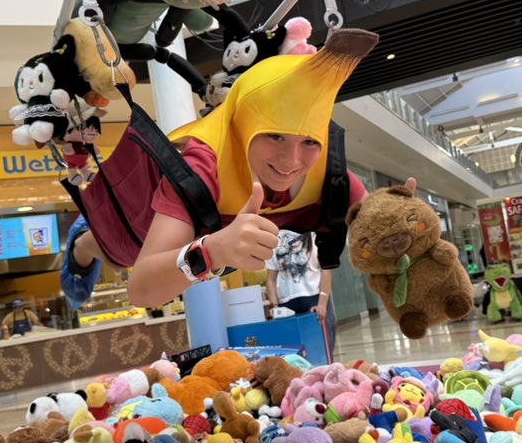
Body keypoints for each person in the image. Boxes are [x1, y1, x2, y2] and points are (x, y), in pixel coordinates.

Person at [62, 29, 386, 308]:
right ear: (245, 125)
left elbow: (381, 222)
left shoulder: (329, 172)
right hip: (137, 227)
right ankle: (81, 242)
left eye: (309, 143)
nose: (291, 161)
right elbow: (142, 288)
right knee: (117, 250)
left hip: (186, 237)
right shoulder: (205, 163)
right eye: (274, 136)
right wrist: (214, 250)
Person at [265, 230, 335, 348]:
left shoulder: (314, 233)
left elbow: (326, 271)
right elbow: (271, 279)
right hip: (286, 304)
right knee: (294, 351)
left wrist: (322, 303)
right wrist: (275, 306)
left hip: (314, 299)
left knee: (322, 348)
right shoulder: (274, 238)